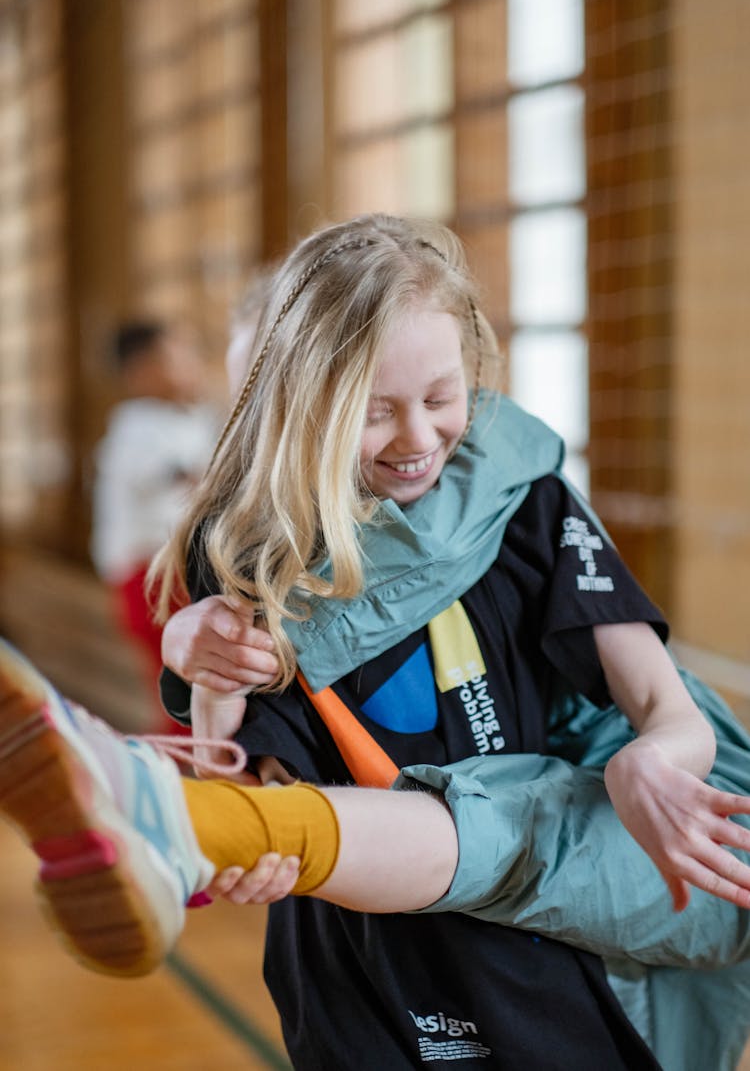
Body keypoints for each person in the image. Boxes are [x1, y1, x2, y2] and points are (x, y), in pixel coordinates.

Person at [3, 214, 750, 1068]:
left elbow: (666, 705)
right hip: (363, 969)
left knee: (516, 815)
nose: (420, 438)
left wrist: (655, 755)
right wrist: (203, 664)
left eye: (441, 399)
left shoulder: (527, 503)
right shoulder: (254, 555)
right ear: (301, 405)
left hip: (531, 952)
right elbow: (242, 766)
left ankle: (172, 818)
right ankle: (168, 820)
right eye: (376, 412)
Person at [90, 318, 219, 730]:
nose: (190, 364)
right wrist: (197, 473)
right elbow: (151, 472)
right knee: (181, 679)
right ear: (141, 372)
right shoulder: (132, 424)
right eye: (175, 356)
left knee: (193, 678)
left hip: (181, 570)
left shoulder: (192, 418)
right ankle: (182, 765)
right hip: (149, 576)